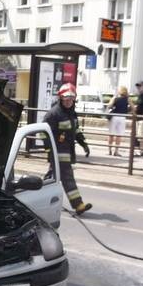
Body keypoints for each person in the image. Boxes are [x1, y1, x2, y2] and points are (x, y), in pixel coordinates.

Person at [43, 83, 92, 215]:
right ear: (61, 98)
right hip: (58, 151)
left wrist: (83, 143)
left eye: (71, 99)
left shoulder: (71, 113)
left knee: (51, 178)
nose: (69, 101)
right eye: (66, 99)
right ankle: (78, 205)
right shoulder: (53, 114)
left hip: (67, 151)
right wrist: (49, 150)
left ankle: (34, 199)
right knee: (67, 177)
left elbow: (75, 130)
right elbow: (43, 133)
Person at [106, 86, 134, 156]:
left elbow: (109, 106)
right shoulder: (127, 99)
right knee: (119, 135)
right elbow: (133, 107)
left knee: (111, 134)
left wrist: (113, 100)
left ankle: (109, 150)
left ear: (119, 91)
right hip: (122, 117)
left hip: (114, 117)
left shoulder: (115, 98)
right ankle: (116, 151)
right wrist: (128, 111)